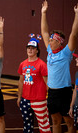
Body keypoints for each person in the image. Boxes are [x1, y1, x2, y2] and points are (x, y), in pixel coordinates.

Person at [41, 1, 78, 132]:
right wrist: (43, 13)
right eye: (50, 40)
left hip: (64, 92)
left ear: (59, 42)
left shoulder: (66, 53)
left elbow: (73, 34)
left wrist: (77, 15)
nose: (49, 41)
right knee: (55, 121)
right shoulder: (50, 52)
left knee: (68, 121)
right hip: (52, 92)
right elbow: (44, 31)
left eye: (52, 40)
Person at [17, 35, 51, 133]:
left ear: (37, 50)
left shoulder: (42, 65)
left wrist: (50, 98)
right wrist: (19, 97)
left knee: (44, 126)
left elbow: (47, 82)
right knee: (27, 126)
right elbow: (20, 81)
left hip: (39, 100)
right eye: (28, 48)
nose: (30, 50)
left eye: (33, 48)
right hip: (25, 100)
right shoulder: (22, 64)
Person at [69, 53, 78, 128]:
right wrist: (72, 106)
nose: (76, 59)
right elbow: (75, 90)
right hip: (76, 106)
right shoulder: (77, 74)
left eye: (77, 58)